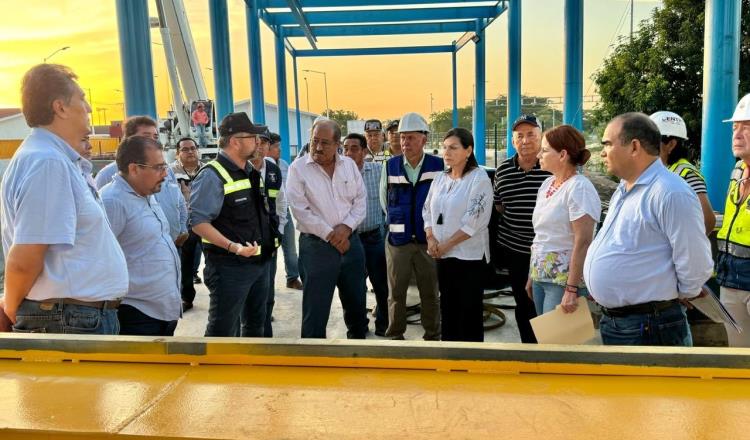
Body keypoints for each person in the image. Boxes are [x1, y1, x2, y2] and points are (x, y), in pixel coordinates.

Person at [0, 64, 127, 333]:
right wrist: (10, 309)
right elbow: (26, 255)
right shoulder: (47, 162)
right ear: (60, 108)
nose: (89, 108)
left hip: (73, 316)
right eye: (82, 99)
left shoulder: (53, 159)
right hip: (67, 319)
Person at [583, 112, 713, 346]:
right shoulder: (625, 188)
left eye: (608, 144)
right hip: (621, 322)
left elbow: (695, 261)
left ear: (634, 147)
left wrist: (676, 295)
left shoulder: (670, 191)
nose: (602, 152)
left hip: (650, 325)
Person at [190, 112, 275, 337]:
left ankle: (249, 371)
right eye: (252, 137)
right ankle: (215, 373)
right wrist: (233, 247)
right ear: (235, 141)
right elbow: (198, 222)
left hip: (258, 263)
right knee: (223, 331)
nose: (258, 142)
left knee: (256, 326)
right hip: (229, 268)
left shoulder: (249, 171)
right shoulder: (212, 175)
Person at [286, 119, 369, 339]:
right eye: (314, 142)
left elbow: (361, 201)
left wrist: (346, 227)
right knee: (315, 310)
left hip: (351, 244)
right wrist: (331, 234)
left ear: (337, 144)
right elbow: (299, 208)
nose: (319, 148)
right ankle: (313, 362)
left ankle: (358, 350)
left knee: (357, 305)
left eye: (325, 143)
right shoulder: (298, 169)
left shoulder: (349, 166)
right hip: (316, 248)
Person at [100, 136, 182, 336]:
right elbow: (99, 258)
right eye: (159, 167)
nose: (165, 173)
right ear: (134, 168)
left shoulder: (146, 194)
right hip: (136, 313)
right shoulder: (113, 201)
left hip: (161, 309)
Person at [423, 128, 493, 342]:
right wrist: (431, 238)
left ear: (468, 150)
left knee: (469, 312)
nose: (447, 152)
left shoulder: (478, 179)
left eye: (453, 147)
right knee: (448, 307)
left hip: (468, 257)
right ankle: (450, 358)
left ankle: (471, 361)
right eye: (445, 148)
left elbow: (474, 221)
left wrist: (446, 245)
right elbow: (427, 210)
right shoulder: (440, 179)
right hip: (443, 256)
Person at [380, 112, 443, 340]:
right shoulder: (390, 166)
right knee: (396, 293)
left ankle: (432, 334)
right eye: (402, 137)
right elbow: (384, 201)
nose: (405, 142)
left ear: (424, 139)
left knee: (430, 293)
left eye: (411, 138)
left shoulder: (439, 166)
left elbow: (443, 202)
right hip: (398, 243)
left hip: (429, 242)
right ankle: (396, 333)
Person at [528, 125, 600, 316]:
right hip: (540, 275)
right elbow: (541, 236)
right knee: (546, 339)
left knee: (557, 342)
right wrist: (531, 274)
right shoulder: (547, 184)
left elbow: (583, 241)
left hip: (563, 281)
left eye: (544, 150)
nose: (538, 156)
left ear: (562, 155)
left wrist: (572, 288)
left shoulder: (579, 188)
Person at [493, 114, 550, 343]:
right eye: (520, 136)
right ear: (512, 140)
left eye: (531, 135)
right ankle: (529, 349)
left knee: (549, 304)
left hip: (548, 252)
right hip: (516, 250)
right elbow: (499, 207)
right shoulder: (503, 170)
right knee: (523, 302)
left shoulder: (551, 167)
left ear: (541, 137)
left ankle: (552, 353)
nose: (525, 140)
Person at [96, 116, 189, 248]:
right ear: (129, 139)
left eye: (155, 137)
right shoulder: (107, 176)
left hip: (172, 245)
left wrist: (182, 229)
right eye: (146, 136)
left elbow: (178, 201)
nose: (152, 141)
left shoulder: (166, 170)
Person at [343, 132, 389, 337]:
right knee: (353, 287)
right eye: (345, 148)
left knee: (381, 284)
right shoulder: (337, 174)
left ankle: (384, 324)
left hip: (374, 237)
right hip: (350, 240)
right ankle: (358, 327)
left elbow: (389, 200)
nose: (348, 152)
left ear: (364, 151)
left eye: (354, 148)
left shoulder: (379, 171)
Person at [716, 93, 750, 347]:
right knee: (738, 357)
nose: (737, 135)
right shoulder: (737, 170)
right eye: (735, 127)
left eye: (747, 128)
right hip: (730, 276)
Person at [650, 111, 716, 234]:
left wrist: (681, 247)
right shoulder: (663, 169)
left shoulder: (687, 175)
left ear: (671, 144)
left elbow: (708, 221)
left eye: (652, 142)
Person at [249, 130, 283, 337]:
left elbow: (280, 202)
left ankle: (266, 337)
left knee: (267, 293)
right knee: (246, 298)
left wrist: (278, 230)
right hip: (244, 245)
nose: (260, 146)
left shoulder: (272, 169)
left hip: (268, 242)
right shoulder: (237, 169)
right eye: (256, 141)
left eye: (264, 142)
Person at [170, 137, 205, 311]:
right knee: (185, 263)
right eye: (185, 149)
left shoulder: (208, 170)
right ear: (177, 153)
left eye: (193, 148)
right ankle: (186, 298)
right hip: (184, 225)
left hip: (207, 224)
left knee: (215, 261)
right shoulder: (170, 172)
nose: (190, 152)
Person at [267, 132, 303, 290]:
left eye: (279, 146)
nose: (279, 150)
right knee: (270, 252)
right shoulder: (260, 166)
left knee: (290, 247)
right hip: (266, 215)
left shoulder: (283, 164)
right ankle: (268, 285)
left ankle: (292, 278)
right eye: (276, 146)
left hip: (284, 211)